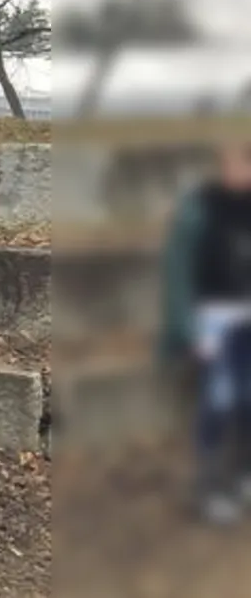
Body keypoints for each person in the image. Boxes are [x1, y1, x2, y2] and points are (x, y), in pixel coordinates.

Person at [158, 140, 251, 525]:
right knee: (218, 400)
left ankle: (244, 476)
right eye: (232, 163)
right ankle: (210, 486)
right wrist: (188, 329)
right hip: (212, 319)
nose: (237, 171)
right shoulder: (201, 207)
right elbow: (178, 272)